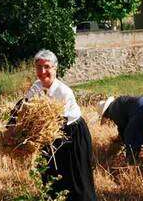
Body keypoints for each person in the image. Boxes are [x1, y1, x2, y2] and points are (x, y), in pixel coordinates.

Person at [24, 49, 97, 201]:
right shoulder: (36, 87)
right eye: (38, 67)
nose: (42, 71)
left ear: (55, 68)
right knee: (51, 175)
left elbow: (56, 123)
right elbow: (23, 107)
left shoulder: (64, 92)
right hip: (49, 135)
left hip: (72, 134)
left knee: (77, 179)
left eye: (47, 67)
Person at [97, 96, 143, 164]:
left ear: (105, 113)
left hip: (142, 110)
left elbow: (124, 129)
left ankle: (131, 164)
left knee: (130, 136)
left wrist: (121, 142)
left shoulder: (112, 110)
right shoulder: (118, 103)